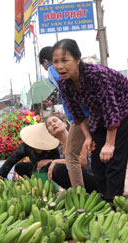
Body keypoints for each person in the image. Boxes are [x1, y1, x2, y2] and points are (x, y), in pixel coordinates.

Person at [52, 39, 128, 203]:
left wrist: (111, 143)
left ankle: (114, 200)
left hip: (123, 104)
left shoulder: (96, 75)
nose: (60, 66)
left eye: (64, 60)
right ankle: (104, 198)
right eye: (56, 61)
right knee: (97, 158)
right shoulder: (64, 83)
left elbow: (111, 109)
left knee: (114, 156)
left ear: (77, 60)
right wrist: (88, 137)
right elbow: (77, 114)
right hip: (97, 112)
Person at [39, 46, 90, 190]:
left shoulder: (52, 70)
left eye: (55, 121)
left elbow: (67, 91)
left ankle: (80, 195)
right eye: (50, 124)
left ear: (44, 61)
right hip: (84, 114)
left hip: (80, 115)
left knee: (72, 158)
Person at [44, 115, 97, 192]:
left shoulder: (77, 138)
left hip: (90, 177)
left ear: (65, 124)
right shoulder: (59, 147)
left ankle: (82, 192)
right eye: (49, 124)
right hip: (75, 179)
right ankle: (72, 192)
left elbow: (83, 162)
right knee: (50, 167)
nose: (53, 124)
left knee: (57, 167)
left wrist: (56, 161)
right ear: (50, 133)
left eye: (55, 121)